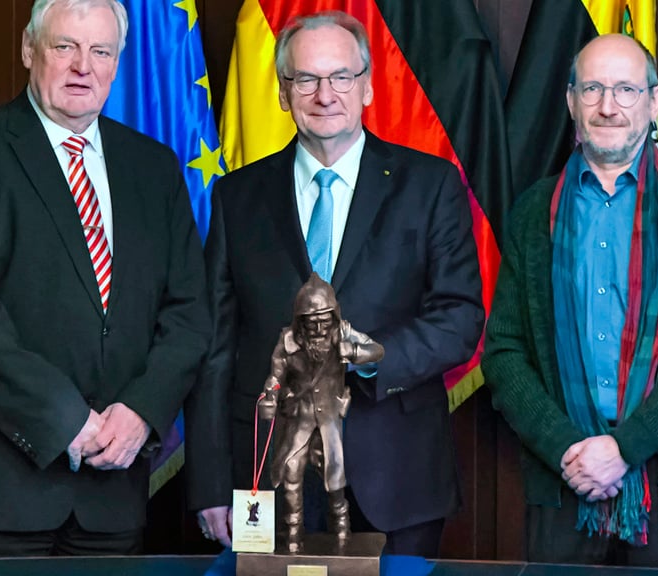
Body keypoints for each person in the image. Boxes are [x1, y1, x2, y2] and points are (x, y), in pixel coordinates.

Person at [0, 0, 209, 558]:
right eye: (65, 47)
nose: (83, 66)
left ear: (118, 62)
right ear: (30, 49)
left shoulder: (155, 167)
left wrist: (142, 410)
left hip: (113, 489)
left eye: (101, 51)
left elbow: (189, 311)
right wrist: (67, 420)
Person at [184, 11, 483, 558]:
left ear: (367, 86)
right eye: (307, 79)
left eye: (341, 77)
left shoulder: (429, 185)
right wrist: (208, 481)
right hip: (267, 479)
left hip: (397, 476)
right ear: (283, 92)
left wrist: (366, 357)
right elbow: (214, 349)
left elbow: (460, 318)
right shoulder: (237, 197)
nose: (326, 94)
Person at [482, 34, 658, 569]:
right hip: (564, 481)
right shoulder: (533, 211)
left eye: (626, 89)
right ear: (570, 100)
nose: (608, 106)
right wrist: (567, 448)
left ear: (654, 102)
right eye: (594, 89)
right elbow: (504, 352)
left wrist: (625, 448)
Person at [257, 273, 385, 553]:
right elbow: (276, 375)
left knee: (335, 481)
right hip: (298, 422)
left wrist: (353, 351)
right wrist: (271, 390)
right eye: (311, 322)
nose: (317, 329)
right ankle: (293, 535)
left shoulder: (342, 333)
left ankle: (341, 531)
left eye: (323, 322)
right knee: (291, 474)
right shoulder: (288, 341)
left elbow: (377, 350)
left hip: (329, 422)